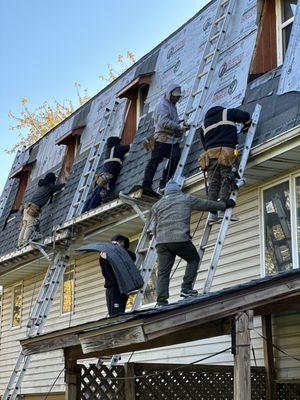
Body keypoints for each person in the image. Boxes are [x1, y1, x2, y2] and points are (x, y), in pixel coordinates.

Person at [151, 180, 235, 306]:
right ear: (178, 189)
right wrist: (224, 204)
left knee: (163, 273)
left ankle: (161, 301)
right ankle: (186, 288)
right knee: (193, 259)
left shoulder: (157, 205)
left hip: (161, 243)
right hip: (180, 239)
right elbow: (206, 204)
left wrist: (161, 238)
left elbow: (153, 227)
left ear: (166, 192)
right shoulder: (185, 198)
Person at [198, 106, 251, 222]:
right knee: (227, 179)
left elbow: (204, 144)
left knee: (213, 184)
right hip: (226, 153)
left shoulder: (203, 125)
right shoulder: (228, 113)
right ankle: (223, 209)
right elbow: (246, 116)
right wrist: (247, 126)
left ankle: (212, 214)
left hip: (210, 156)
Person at [142, 83, 189, 195]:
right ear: (169, 94)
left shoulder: (172, 106)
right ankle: (146, 186)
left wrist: (180, 124)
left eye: (178, 97)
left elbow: (171, 121)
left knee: (176, 157)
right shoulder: (162, 105)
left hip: (172, 140)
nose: (177, 98)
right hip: (162, 140)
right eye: (175, 96)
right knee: (154, 162)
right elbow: (163, 122)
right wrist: (178, 127)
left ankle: (165, 183)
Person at [82, 137, 130, 213]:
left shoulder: (108, 151)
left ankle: (84, 211)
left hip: (103, 176)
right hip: (108, 177)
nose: (120, 144)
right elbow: (129, 147)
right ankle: (92, 208)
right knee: (101, 194)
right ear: (115, 143)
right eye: (119, 142)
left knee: (95, 193)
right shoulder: (116, 149)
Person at [17, 172, 65, 248]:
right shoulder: (49, 187)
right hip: (33, 209)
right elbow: (58, 187)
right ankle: (25, 242)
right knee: (30, 225)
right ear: (51, 179)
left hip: (26, 208)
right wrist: (64, 183)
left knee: (24, 226)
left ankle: (19, 244)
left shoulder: (42, 184)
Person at [99, 234, 136, 316]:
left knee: (121, 312)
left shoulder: (126, 254)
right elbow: (106, 271)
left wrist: (119, 249)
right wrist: (106, 258)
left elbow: (133, 257)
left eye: (122, 242)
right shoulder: (106, 256)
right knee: (115, 314)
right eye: (118, 242)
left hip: (123, 289)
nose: (120, 244)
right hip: (113, 289)